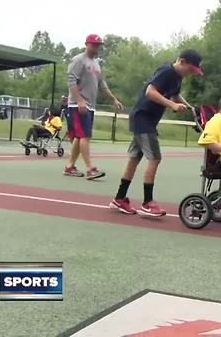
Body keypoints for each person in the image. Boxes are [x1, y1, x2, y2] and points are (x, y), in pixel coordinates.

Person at [110, 49, 203, 217]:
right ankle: (147, 202)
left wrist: (189, 107)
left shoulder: (178, 77)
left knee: (134, 159)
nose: (191, 74)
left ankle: (119, 198)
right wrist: (172, 105)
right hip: (142, 118)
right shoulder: (166, 71)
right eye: (191, 69)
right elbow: (150, 92)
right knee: (155, 158)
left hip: (147, 120)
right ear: (182, 62)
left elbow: (175, 95)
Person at [64, 34, 124, 180]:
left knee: (80, 137)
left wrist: (114, 100)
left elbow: (102, 85)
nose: (97, 47)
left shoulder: (96, 63)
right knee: (85, 136)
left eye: (98, 45)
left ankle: (70, 166)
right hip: (78, 105)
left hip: (90, 106)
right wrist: (79, 101)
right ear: (86, 44)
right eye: (94, 44)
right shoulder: (78, 60)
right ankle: (90, 169)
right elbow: (71, 81)